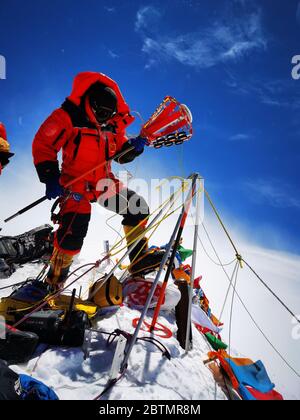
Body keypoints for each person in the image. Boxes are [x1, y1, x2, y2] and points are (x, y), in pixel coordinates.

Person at [32, 71, 163, 290]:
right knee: (73, 233)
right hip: (75, 185)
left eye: (107, 114)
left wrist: (134, 147)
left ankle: (139, 260)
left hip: (104, 183)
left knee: (137, 207)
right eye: (100, 112)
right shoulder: (67, 117)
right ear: (90, 103)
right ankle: (54, 281)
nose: (103, 118)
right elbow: (43, 144)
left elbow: (120, 154)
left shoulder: (113, 125)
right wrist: (50, 177)